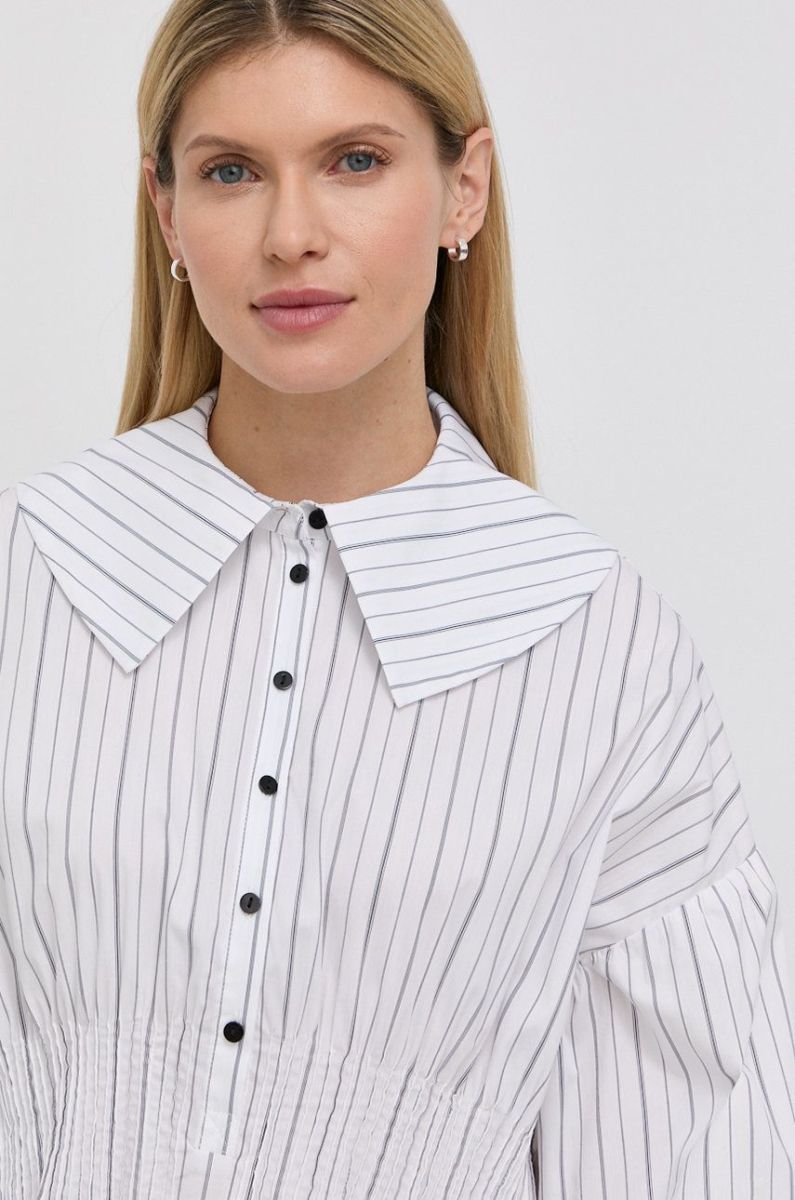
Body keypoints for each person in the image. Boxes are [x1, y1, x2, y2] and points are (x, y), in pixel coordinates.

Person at [1, 1, 793, 1196]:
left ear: (464, 188)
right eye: (231, 172)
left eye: (356, 161)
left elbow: (690, 1155)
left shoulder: (606, 653)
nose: (292, 235)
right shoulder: (30, 571)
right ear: (167, 212)